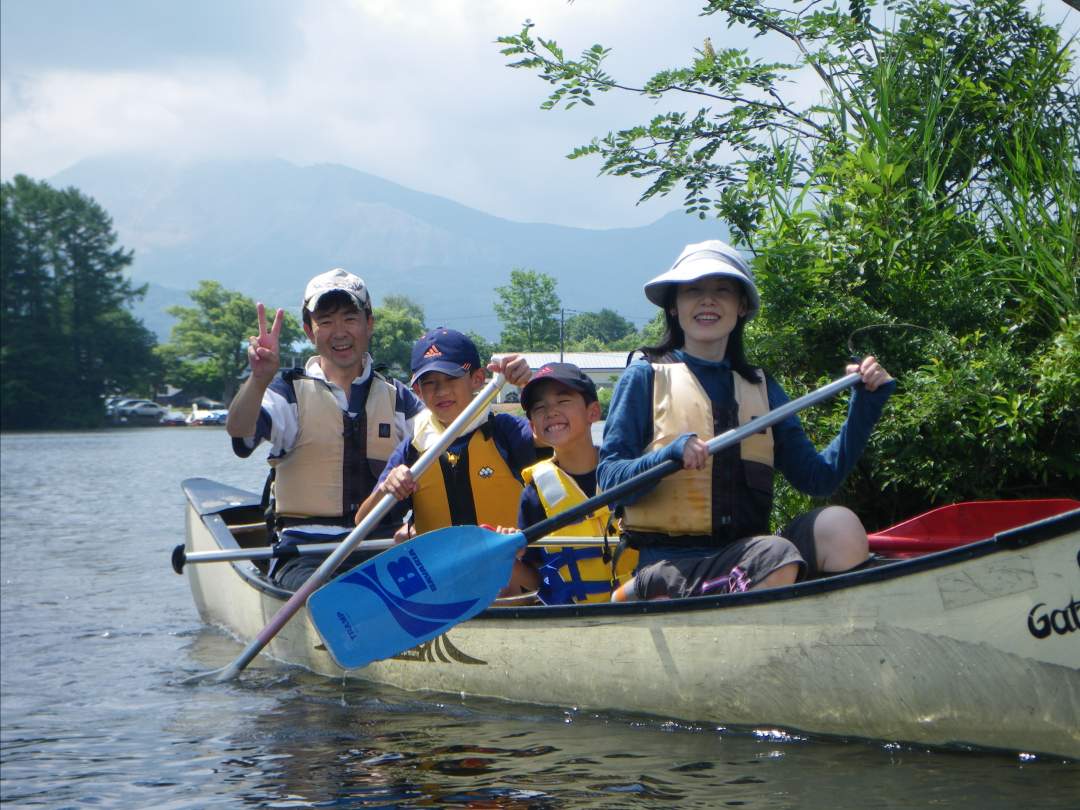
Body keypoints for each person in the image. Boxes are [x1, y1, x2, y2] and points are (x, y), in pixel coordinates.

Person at [598, 239, 895, 602]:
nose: (708, 301)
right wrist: (669, 456)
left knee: (839, 525)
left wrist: (864, 405)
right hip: (670, 565)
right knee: (775, 556)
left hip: (747, 557)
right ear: (674, 306)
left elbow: (818, 478)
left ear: (741, 307)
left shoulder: (760, 386)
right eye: (694, 291)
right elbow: (610, 480)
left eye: (722, 290)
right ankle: (651, 595)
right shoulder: (645, 377)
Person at [225, 268, 425, 590]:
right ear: (309, 331)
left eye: (350, 318)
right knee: (332, 592)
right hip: (306, 555)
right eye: (326, 321)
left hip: (381, 549)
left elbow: (450, 442)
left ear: (368, 324)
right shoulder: (287, 392)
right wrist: (259, 379)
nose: (340, 332)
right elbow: (239, 431)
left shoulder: (399, 398)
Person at [354, 328, 536, 552]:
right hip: (442, 579)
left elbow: (559, 439)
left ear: (477, 379)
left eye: (451, 378)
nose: (441, 391)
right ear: (418, 391)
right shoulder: (412, 450)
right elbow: (363, 524)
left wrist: (529, 386)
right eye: (429, 382)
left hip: (511, 572)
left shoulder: (507, 432)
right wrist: (387, 488)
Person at [516, 363, 636, 603]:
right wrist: (508, 559)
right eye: (539, 407)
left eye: (563, 401)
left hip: (639, 608)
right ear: (533, 429)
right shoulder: (534, 494)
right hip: (575, 620)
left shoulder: (628, 472)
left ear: (593, 412)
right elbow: (534, 576)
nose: (550, 412)